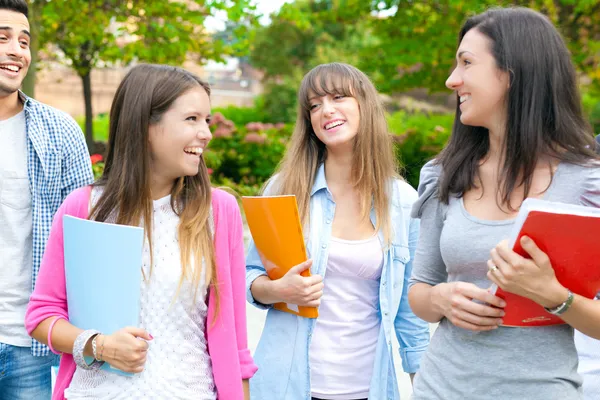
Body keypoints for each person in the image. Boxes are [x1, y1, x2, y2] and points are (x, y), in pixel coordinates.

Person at [24, 64, 257, 400]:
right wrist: (98, 345)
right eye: (192, 119)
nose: (205, 132)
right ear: (146, 125)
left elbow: (236, 344)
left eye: (206, 120)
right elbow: (42, 315)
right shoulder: (85, 207)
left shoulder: (218, 212)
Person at [408, 7, 600, 400]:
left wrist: (552, 295)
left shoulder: (587, 184)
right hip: (439, 389)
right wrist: (441, 299)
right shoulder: (444, 174)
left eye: (466, 63)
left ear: (513, 72)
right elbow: (420, 291)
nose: (451, 80)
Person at [246, 62, 430, 400]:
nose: (325, 110)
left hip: (369, 387)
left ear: (364, 105)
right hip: (287, 385)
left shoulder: (403, 201)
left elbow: (409, 312)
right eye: (314, 105)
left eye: (338, 97)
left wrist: (424, 386)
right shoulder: (284, 190)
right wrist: (280, 290)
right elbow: (250, 276)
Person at [0, 0, 93, 398]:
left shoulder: (60, 133)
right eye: (2, 38)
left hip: (27, 343)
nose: (16, 50)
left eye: (24, 41)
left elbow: (87, 240)